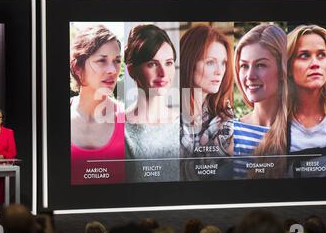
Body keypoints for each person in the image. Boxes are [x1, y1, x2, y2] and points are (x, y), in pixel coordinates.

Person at [70, 25, 125, 185]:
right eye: (102, 60)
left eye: (116, 61)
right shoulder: (56, 119)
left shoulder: (128, 120)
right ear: (77, 67)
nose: (113, 70)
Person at [124, 24, 180, 182]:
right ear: (131, 70)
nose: (163, 73)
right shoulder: (119, 129)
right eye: (152, 64)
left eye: (168, 63)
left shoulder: (186, 125)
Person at [233, 24, 289, 179]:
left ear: (282, 70)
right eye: (244, 66)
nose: (249, 75)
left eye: (260, 65)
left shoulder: (301, 132)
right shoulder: (228, 133)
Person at [179, 25, 234, 181]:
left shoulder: (226, 117)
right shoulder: (167, 113)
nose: (220, 71)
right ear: (189, 62)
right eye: (210, 62)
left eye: (223, 63)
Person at [286, 25, 326, 177]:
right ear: (288, 67)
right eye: (304, 55)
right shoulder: (275, 121)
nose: (315, 63)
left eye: (322, 55)